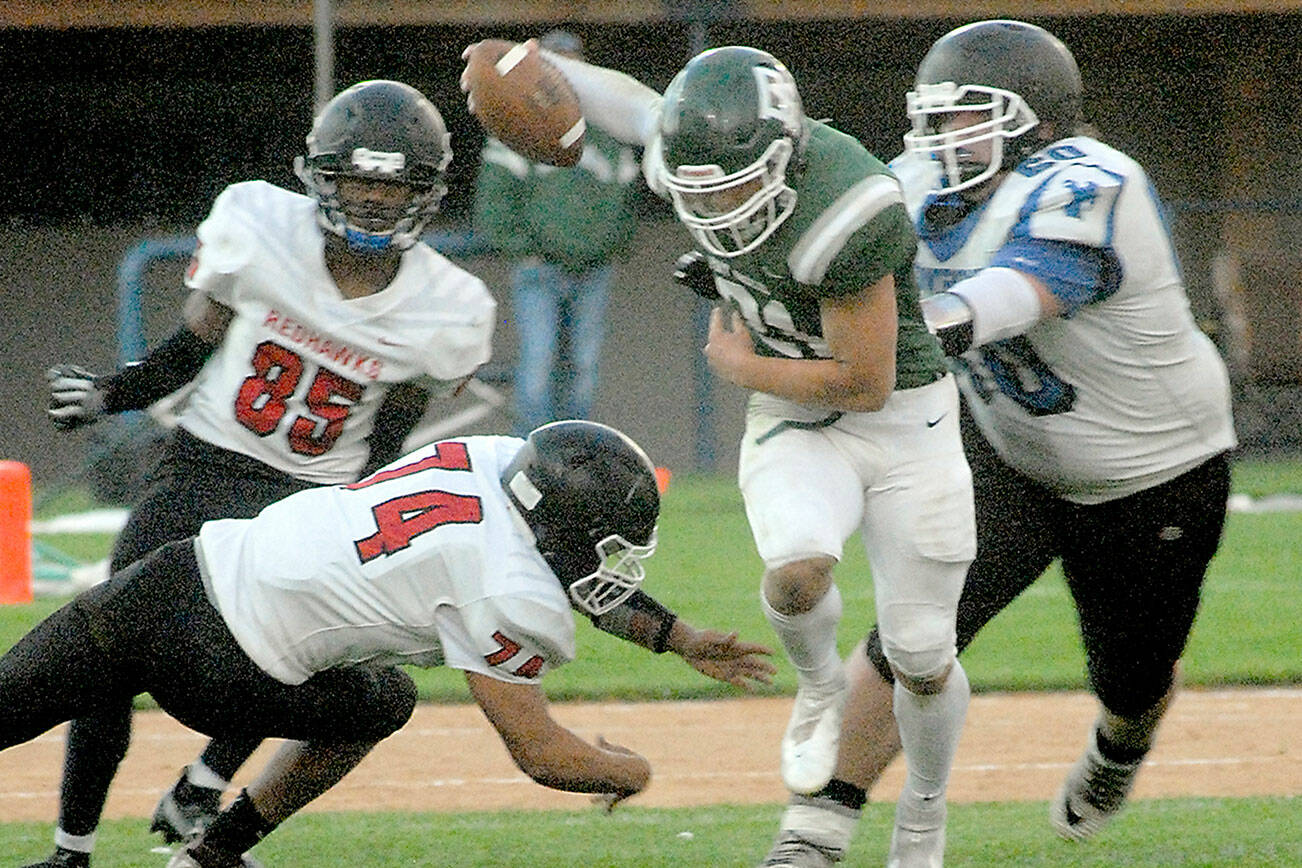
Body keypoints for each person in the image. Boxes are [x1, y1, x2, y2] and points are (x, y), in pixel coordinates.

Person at [471, 41, 979, 867]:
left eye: (738, 185)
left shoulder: (846, 209)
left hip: (902, 420)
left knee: (921, 653)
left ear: (787, 154)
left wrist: (740, 367)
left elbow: (865, 382)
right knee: (795, 575)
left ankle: (925, 809)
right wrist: (523, 57)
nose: (720, 206)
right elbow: (635, 108)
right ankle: (821, 685)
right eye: (702, 190)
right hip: (792, 413)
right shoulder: (695, 163)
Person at [757, 18, 1238, 865]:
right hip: (1009, 451)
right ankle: (816, 829)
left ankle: (1119, 749)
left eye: (964, 115)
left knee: (1131, 678)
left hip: (1151, 473)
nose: (941, 134)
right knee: (914, 630)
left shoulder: (1093, 180)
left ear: (1036, 121)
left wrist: (904, 329)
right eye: (934, 115)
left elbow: (1015, 295)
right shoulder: (919, 183)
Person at [35, 80, 499, 868]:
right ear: (319, 177)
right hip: (204, 466)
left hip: (312, 496)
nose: (373, 201)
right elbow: (190, 348)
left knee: (293, 651)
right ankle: (70, 851)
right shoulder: (258, 225)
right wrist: (113, 393)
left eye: (393, 186)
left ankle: (203, 786)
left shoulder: (448, 306)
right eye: (356, 181)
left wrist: (361, 520)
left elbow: (389, 438)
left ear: (425, 192)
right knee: (106, 653)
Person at [0, 420, 777, 868]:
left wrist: (674, 635)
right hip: (229, 673)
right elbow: (539, 753)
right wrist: (630, 771)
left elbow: (559, 557)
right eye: (604, 544)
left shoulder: (490, 458)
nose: (607, 563)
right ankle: (216, 852)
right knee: (385, 701)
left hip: (175, 576)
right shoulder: (507, 590)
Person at [472, 29, 641, 436]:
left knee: (583, 366)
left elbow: (627, 201)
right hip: (539, 268)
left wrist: (609, 246)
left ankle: (575, 454)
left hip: (594, 269)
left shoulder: (607, 131)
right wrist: (527, 248)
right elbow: (493, 204)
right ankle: (530, 454)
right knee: (539, 364)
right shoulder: (515, 124)